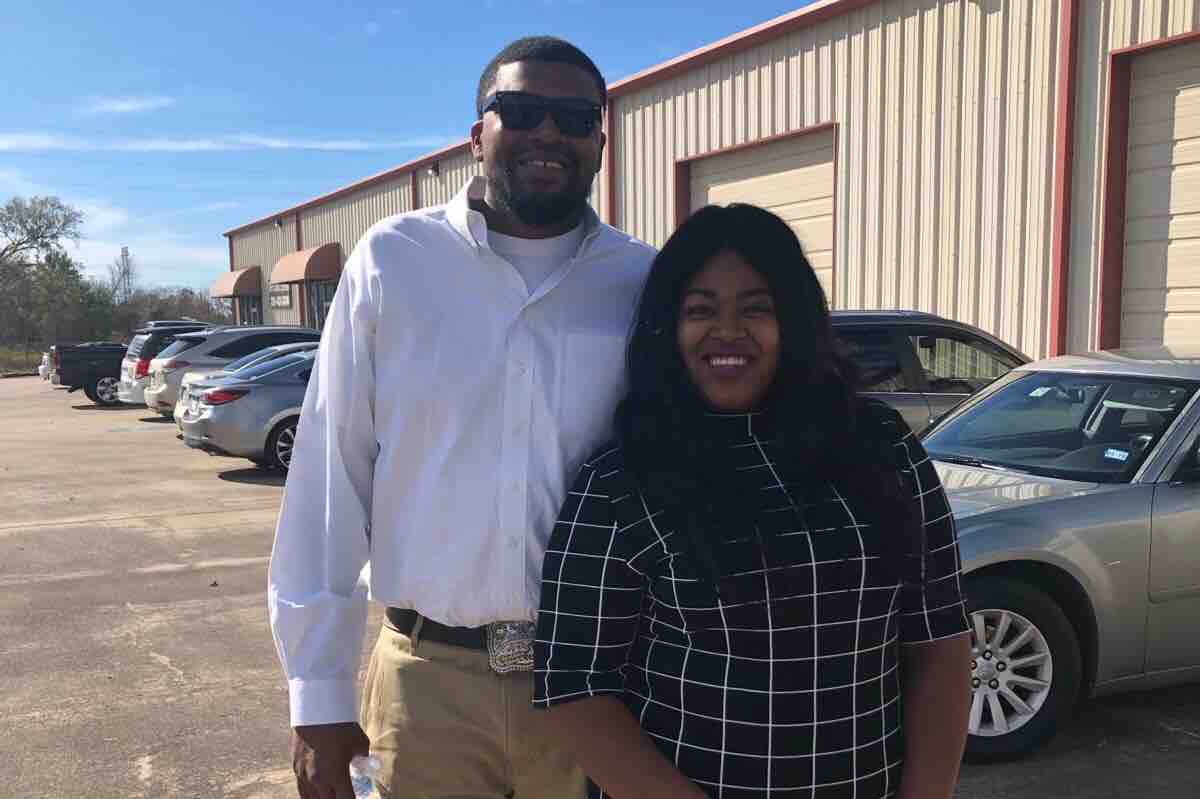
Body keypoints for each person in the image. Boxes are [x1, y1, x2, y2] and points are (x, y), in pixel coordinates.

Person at [268, 36, 656, 799]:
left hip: (597, 684)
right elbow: (330, 477)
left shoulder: (641, 280)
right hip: (428, 688)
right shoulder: (393, 262)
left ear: (601, 144)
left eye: (576, 118)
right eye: (522, 110)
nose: (549, 132)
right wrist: (316, 694)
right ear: (478, 134)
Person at [533, 203, 973, 799]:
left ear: (794, 320)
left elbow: (939, 636)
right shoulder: (621, 481)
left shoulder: (881, 449)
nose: (728, 331)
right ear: (667, 328)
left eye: (756, 308)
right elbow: (573, 684)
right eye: (700, 310)